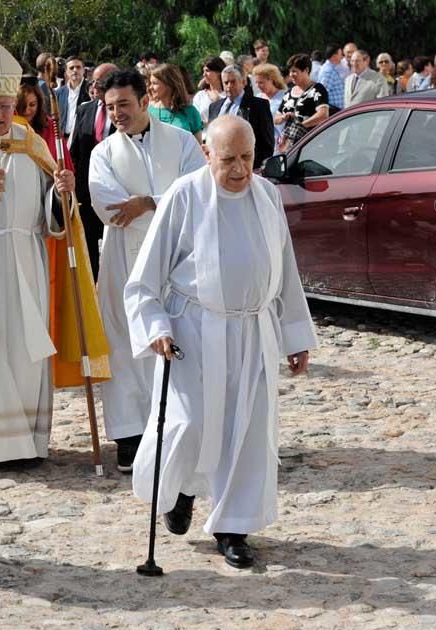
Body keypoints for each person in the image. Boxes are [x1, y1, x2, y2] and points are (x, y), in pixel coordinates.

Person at [125, 115, 316, 568]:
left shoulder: (267, 196)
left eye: (247, 158)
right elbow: (144, 280)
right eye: (228, 159)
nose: (239, 170)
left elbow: (285, 271)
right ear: (207, 152)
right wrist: (156, 327)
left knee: (247, 430)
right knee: (188, 423)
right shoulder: (183, 196)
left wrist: (295, 333)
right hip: (194, 329)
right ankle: (179, 490)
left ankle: (233, 527)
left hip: (254, 331)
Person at [0, 35, 108, 476]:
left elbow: (54, 219)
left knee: (27, 350)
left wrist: (62, 195)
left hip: (27, 262)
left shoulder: (32, 143)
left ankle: (28, 442)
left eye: (6, 106)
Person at [88, 69, 205, 473]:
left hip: (176, 259)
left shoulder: (182, 141)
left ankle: (175, 428)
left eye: (123, 104)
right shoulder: (102, 153)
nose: (117, 113)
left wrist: (150, 203)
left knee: (175, 335)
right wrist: (153, 206)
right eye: (110, 107)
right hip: (124, 260)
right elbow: (108, 206)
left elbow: (198, 192)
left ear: (143, 101)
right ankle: (128, 434)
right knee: (123, 344)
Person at [69, 62, 119, 276]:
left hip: (115, 190)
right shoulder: (84, 110)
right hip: (86, 189)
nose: (95, 85)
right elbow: (75, 150)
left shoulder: (123, 113)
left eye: (101, 81)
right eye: (93, 80)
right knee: (89, 247)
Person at [208, 65, 274, 169]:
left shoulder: (258, 106)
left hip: (247, 168)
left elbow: (267, 145)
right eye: (226, 83)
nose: (229, 86)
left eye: (233, 82)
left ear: (243, 82)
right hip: (219, 168)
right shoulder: (214, 107)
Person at [275, 53, 330, 152]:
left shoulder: (317, 89)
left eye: (294, 71)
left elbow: (323, 114)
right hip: (288, 147)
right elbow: (276, 119)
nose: (291, 74)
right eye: (290, 71)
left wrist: (301, 126)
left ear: (306, 70)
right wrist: (283, 117)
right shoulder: (288, 92)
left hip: (311, 143)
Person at [147, 63, 203, 141]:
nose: (150, 87)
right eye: (150, 83)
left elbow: (198, 147)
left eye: (154, 83)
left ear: (169, 84)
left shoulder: (190, 112)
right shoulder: (148, 112)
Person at [252, 63, 286, 148]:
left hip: (279, 145)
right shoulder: (257, 97)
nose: (258, 86)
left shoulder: (285, 97)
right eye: (256, 83)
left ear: (271, 80)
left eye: (261, 82)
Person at [55, 55, 87, 138]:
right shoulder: (59, 92)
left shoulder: (90, 91)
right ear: (66, 71)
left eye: (78, 67)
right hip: (63, 138)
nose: (75, 70)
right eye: (71, 68)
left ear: (83, 70)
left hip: (82, 138)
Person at [192, 56, 226, 123]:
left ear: (218, 72)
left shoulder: (228, 94)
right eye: (203, 71)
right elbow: (195, 121)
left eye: (207, 71)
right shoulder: (200, 96)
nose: (204, 74)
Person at [317, 45, 345, 112]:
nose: (342, 57)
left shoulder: (330, 69)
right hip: (333, 111)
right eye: (340, 54)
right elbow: (322, 93)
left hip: (335, 110)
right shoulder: (329, 71)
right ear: (334, 56)